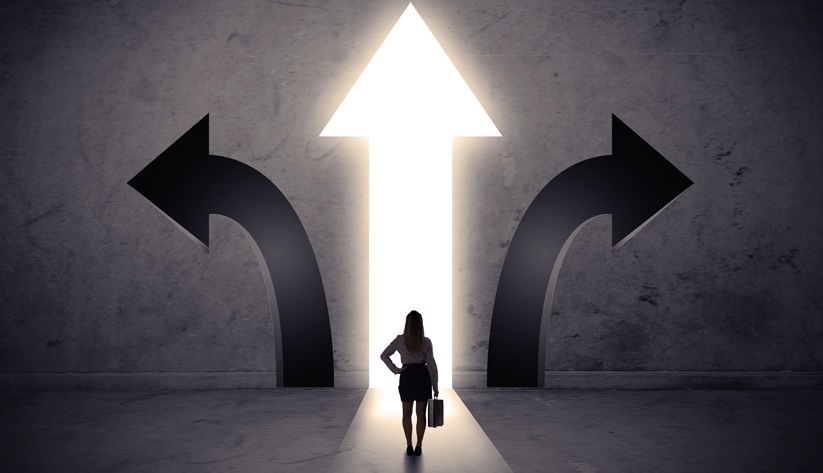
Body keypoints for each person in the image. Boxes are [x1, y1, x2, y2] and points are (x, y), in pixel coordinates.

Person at [380, 310, 439, 457]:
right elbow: (431, 366)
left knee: (406, 414)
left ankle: (409, 445)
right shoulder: (426, 341)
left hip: (407, 377)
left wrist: (396, 370)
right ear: (420, 324)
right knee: (421, 415)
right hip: (422, 377)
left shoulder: (400, 340)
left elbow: (384, 355)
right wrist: (435, 386)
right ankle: (419, 446)